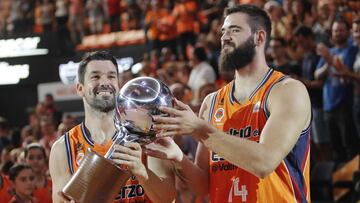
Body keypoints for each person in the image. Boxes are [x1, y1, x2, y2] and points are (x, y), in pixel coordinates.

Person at [145, 5, 312, 202]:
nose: (224, 37)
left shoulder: (287, 91)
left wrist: (199, 130)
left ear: (259, 37)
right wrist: (178, 157)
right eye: (223, 31)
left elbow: (264, 162)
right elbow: (204, 186)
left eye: (235, 30)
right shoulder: (212, 102)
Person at [49, 51, 176, 203]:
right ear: (79, 88)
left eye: (111, 76)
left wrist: (142, 172)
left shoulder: (148, 135)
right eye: (95, 76)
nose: (104, 82)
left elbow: (169, 199)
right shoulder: (63, 148)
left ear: (118, 85)